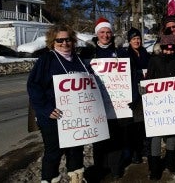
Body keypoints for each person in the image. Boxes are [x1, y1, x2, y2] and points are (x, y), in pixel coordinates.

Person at [27, 24, 88, 183]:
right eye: (59, 40)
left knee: (76, 150)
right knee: (54, 152)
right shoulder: (46, 59)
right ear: (53, 42)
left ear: (73, 40)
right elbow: (33, 86)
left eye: (68, 39)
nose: (64, 43)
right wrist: (46, 109)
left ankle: (76, 178)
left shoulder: (78, 60)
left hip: (76, 116)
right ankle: (50, 179)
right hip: (53, 117)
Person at [81, 17, 130, 182]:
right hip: (96, 104)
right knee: (99, 139)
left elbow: (129, 75)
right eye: (102, 32)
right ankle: (101, 168)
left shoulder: (121, 52)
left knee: (116, 138)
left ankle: (115, 168)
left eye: (108, 32)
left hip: (117, 103)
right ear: (97, 34)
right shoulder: (87, 53)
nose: (106, 35)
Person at [145, 33, 175, 180]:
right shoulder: (154, 60)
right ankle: (155, 166)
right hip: (157, 105)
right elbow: (148, 78)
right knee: (156, 136)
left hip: (174, 104)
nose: (169, 52)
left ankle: (170, 161)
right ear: (161, 48)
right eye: (166, 49)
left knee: (172, 134)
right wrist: (143, 88)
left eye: (172, 49)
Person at [125, 27, 150, 164]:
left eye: (138, 38)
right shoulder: (125, 54)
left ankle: (145, 148)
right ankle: (136, 152)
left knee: (145, 123)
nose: (137, 41)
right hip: (133, 93)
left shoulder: (145, 52)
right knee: (135, 125)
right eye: (134, 38)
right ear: (129, 41)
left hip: (146, 92)